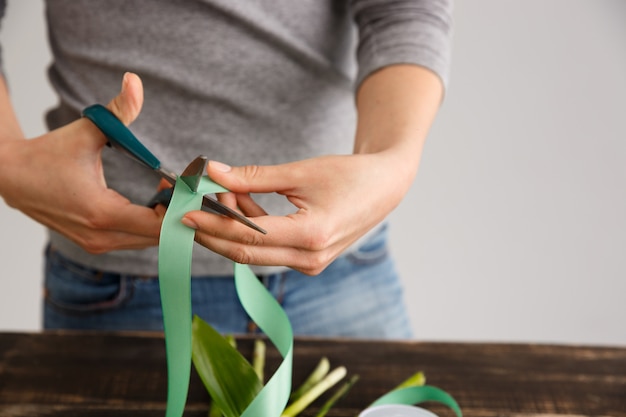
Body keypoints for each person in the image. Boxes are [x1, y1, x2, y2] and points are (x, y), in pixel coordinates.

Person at [0, 0, 453, 338]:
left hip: (341, 265)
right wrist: (6, 157)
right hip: (115, 285)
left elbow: (404, 10)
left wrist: (391, 161)